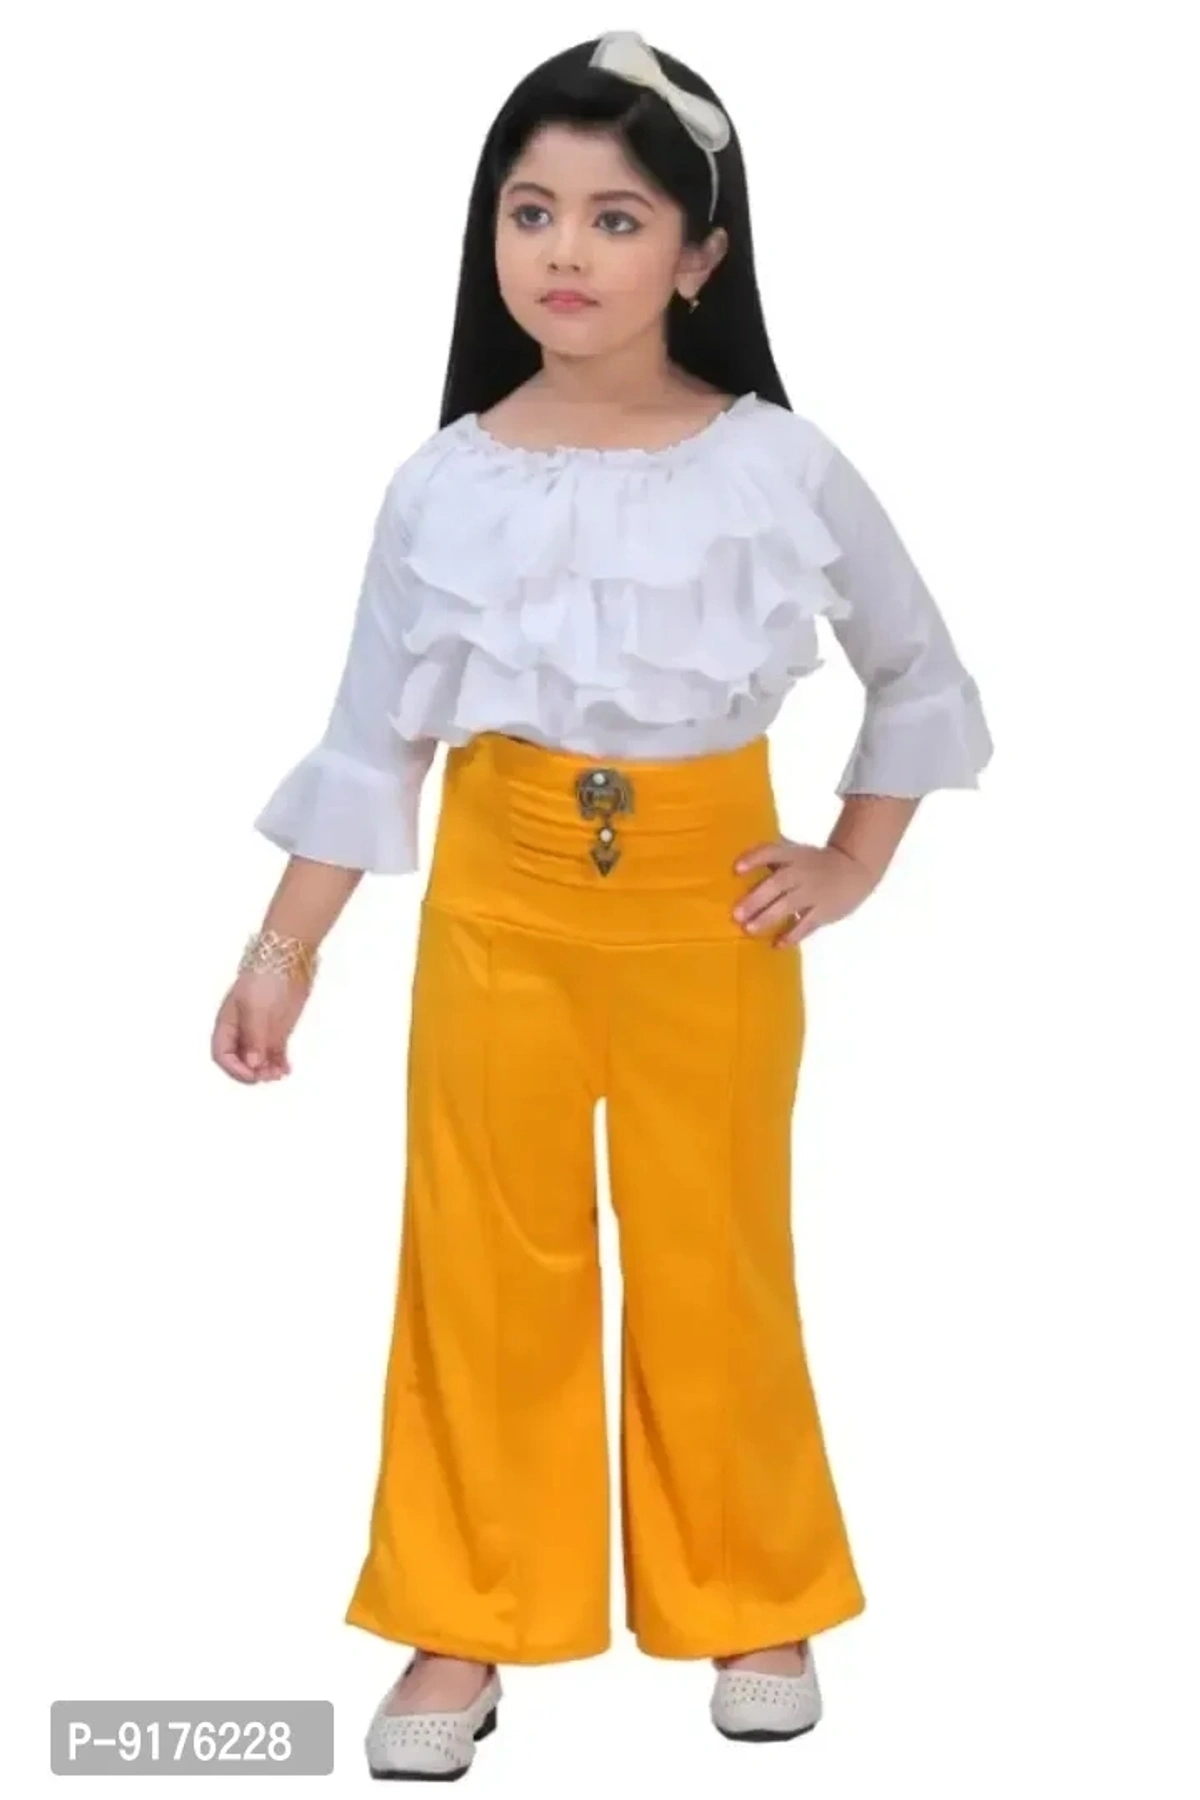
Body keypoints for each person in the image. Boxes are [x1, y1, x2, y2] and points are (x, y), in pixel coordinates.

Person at [211, 29, 992, 1783]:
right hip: (500, 911)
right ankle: (465, 1613)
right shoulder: (445, 481)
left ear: (700, 256)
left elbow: (920, 672)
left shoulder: (777, 464)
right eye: (532, 210)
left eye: (617, 217)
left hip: (714, 916)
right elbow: (371, 741)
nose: (565, 251)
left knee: (715, 1251)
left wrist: (852, 859)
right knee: (484, 1266)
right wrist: (282, 954)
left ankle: (753, 1593)